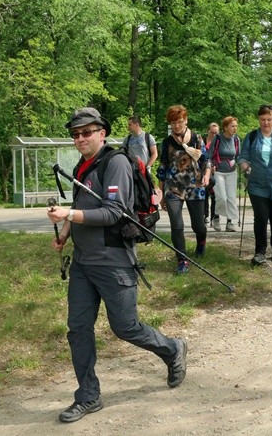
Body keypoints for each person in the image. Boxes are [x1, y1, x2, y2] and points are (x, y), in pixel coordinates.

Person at [47, 107, 187, 423]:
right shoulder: (83, 167)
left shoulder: (117, 163)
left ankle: (172, 349)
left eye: (87, 132)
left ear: (102, 133)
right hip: (83, 263)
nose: (80, 138)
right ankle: (88, 396)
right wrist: (65, 233)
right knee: (78, 330)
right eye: (76, 134)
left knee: (125, 327)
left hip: (114, 262)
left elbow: (114, 213)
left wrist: (68, 216)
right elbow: (83, 206)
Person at [157, 105, 211, 272]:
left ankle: (201, 242)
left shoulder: (196, 139)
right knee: (177, 224)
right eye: (173, 123)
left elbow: (206, 160)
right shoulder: (167, 143)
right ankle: (182, 260)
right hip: (173, 186)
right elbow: (162, 167)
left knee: (199, 226)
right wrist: (161, 194)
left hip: (195, 186)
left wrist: (207, 175)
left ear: (186, 121)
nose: (176, 126)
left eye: (179, 122)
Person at [238, 105, 272, 265]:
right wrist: (246, 168)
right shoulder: (251, 137)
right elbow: (242, 157)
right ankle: (260, 252)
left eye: (269, 119)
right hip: (257, 184)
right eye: (263, 119)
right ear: (259, 119)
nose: (266, 123)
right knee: (261, 218)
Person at [210, 116, 240, 232]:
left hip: (232, 172)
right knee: (221, 197)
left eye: (236, 126)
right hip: (218, 171)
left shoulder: (236, 139)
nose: (235, 128)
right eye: (232, 126)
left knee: (231, 198)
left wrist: (244, 165)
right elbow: (210, 154)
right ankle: (216, 217)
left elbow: (238, 155)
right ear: (225, 127)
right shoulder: (217, 139)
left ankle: (230, 222)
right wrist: (211, 166)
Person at [203, 122, 219, 227]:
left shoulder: (219, 142)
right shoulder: (202, 142)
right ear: (208, 131)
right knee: (204, 195)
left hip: (216, 171)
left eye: (216, 133)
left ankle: (214, 217)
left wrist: (216, 167)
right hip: (204, 172)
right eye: (212, 132)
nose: (214, 135)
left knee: (215, 196)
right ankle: (205, 216)